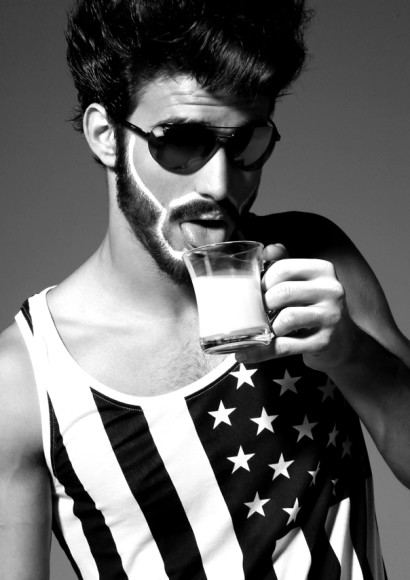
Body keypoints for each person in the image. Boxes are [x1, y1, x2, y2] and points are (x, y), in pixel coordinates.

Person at [1, 0, 410, 578]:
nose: (219, 183)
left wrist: (352, 356)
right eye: (182, 142)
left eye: (245, 143)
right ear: (105, 135)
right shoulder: (26, 380)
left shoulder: (316, 259)